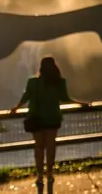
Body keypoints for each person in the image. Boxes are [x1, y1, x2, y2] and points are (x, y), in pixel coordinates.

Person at [9, 57, 89, 187]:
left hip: (35, 118)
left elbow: (25, 97)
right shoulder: (59, 82)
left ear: (40, 68)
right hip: (52, 118)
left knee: (39, 146)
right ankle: (50, 173)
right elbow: (65, 99)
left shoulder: (32, 82)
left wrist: (16, 108)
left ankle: (39, 175)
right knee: (51, 147)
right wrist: (81, 104)